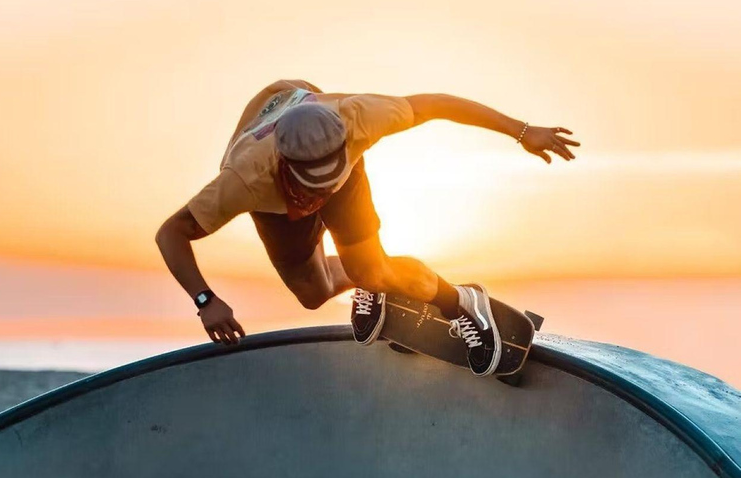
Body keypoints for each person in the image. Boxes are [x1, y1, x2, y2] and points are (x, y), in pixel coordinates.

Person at [155, 79, 579, 376]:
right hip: (272, 188)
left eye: (328, 187)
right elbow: (171, 233)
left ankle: (462, 302)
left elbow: (437, 104)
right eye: (309, 193)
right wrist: (205, 299)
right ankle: (363, 275)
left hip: (316, 132)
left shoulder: (359, 119)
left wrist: (522, 131)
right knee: (313, 294)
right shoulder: (244, 180)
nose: (319, 202)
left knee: (372, 269)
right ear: (284, 172)